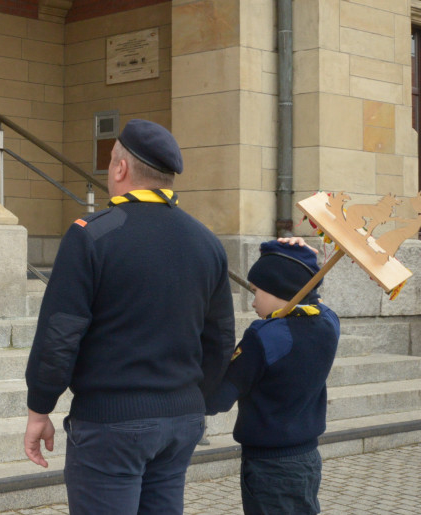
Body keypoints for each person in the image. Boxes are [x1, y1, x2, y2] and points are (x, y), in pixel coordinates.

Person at [24, 119, 235, 515]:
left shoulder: (92, 234)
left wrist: (40, 407)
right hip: (181, 418)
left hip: (112, 422)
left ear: (120, 169)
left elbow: (59, 335)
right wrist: (193, 400)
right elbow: (221, 338)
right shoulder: (206, 241)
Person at [206, 238, 339, 515]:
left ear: (279, 289)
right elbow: (314, 299)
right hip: (307, 458)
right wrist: (297, 253)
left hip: (269, 466)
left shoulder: (264, 335)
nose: (252, 302)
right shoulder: (329, 323)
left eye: (256, 292)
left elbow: (218, 400)